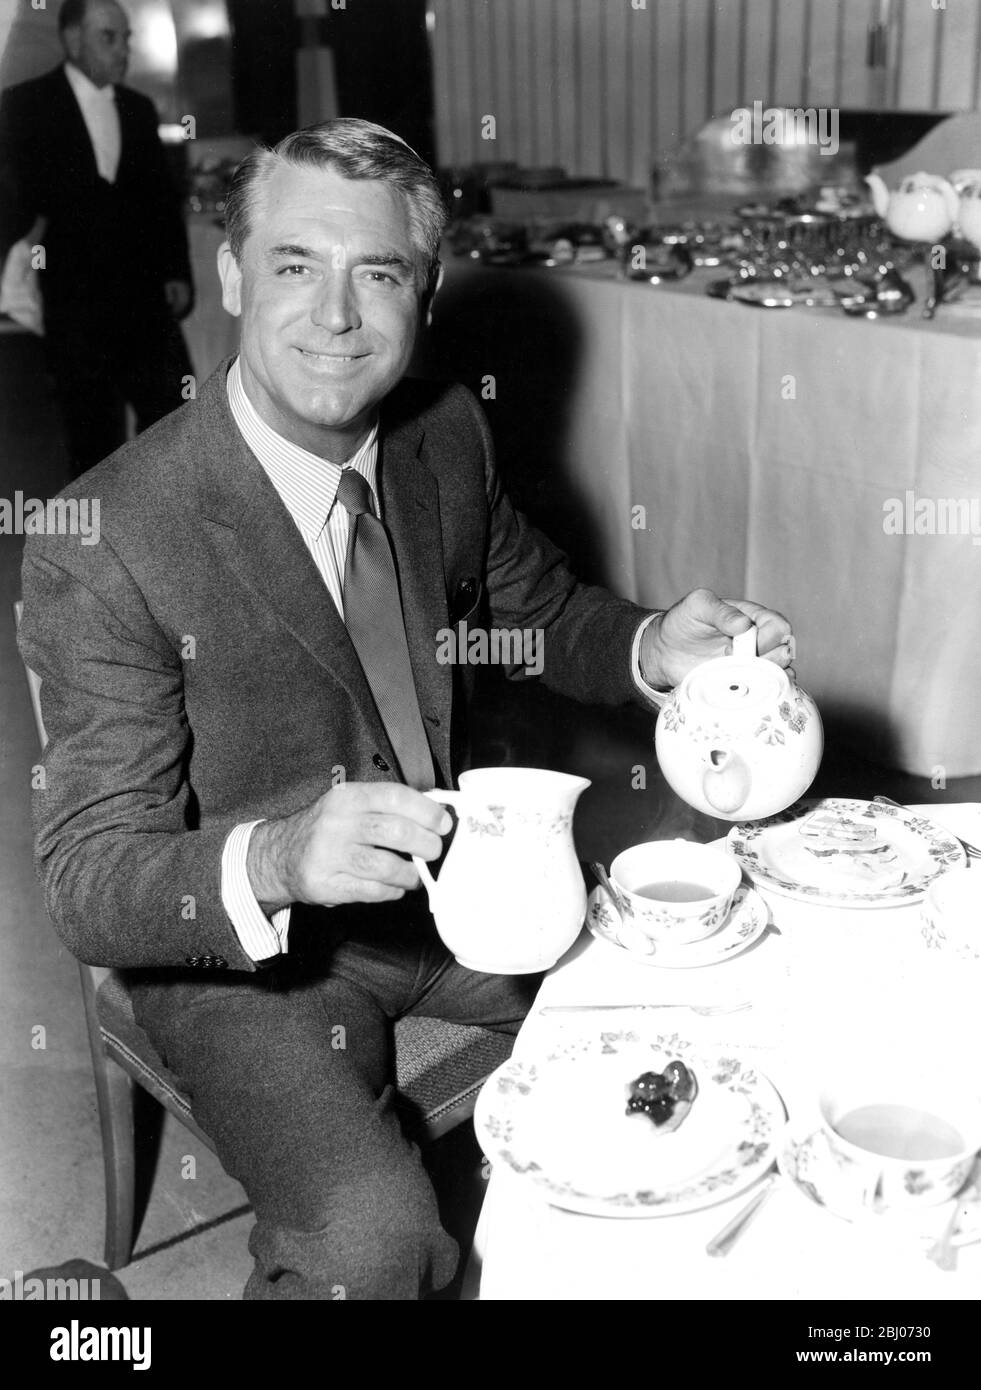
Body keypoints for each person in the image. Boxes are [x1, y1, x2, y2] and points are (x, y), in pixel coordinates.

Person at [18, 118, 794, 1300]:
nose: (336, 316)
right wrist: (277, 856)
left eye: (376, 272)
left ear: (422, 295)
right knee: (374, 1243)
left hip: (460, 893)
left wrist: (649, 643)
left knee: (712, 1025)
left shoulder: (440, 435)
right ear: (230, 273)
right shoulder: (111, 539)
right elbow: (87, 876)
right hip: (251, 964)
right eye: (294, 265)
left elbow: (539, 612)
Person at [0, 0, 193, 477]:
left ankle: (171, 527)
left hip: (144, 301)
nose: (123, 50)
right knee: (93, 436)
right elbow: (13, 198)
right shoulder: (25, 104)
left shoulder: (138, 109)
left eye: (125, 38)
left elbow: (162, 204)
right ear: (72, 40)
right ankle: (104, 540)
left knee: (174, 417)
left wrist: (177, 273)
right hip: (75, 304)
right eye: (110, 37)